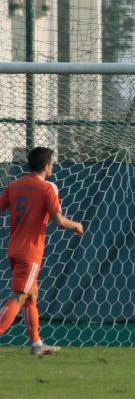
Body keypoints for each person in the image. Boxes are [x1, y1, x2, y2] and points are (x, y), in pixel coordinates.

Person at [0, 147, 84, 355]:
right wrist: (76, 225)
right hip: (30, 252)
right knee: (19, 296)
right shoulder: (47, 188)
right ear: (47, 166)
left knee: (31, 296)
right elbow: (58, 220)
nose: (52, 167)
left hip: (14, 249)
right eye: (52, 163)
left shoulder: (14, 185)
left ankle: (37, 344)